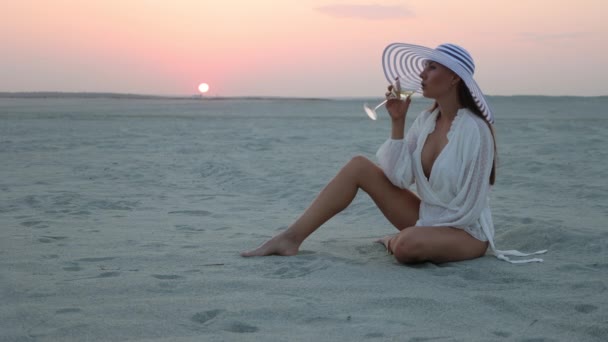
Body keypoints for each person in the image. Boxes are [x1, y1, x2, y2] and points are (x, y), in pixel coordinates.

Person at [241, 43, 546, 264]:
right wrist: (398, 121)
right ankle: (291, 238)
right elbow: (399, 178)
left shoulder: (476, 131)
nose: (422, 73)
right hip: (427, 219)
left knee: (407, 247)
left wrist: (421, 230)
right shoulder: (427, 121)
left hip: (464, 232)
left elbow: (472, 204)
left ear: (454, 78)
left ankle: (396, 241)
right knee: (358, 166)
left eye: (432, 67)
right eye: (425, 66)